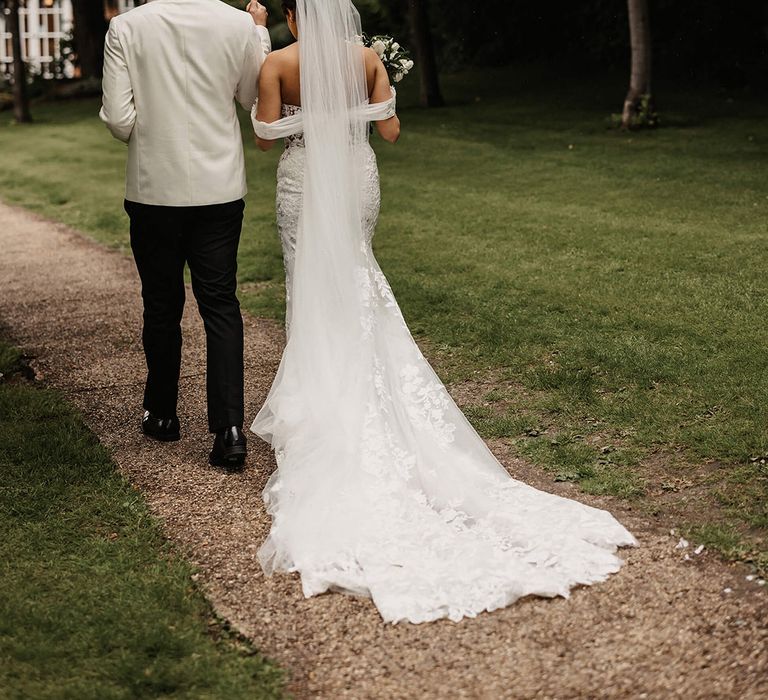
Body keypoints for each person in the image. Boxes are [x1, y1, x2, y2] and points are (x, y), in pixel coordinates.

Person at [249, 0, 637, 624]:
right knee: (356, 270)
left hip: (303, 182)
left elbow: (265, 139)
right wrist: (365, 105)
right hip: (356, 174)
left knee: (310, 284)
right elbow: (391, 131)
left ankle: (322, 398)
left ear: (296, 18)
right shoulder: (369, 58)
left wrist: (304, 117)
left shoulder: (276, 64)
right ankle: (360, 381)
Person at [99, 0, 271, 471]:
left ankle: (163, 414)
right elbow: (252, 95)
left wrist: (151, 131)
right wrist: (258, 33)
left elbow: (118, 119)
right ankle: (229, 430)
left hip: (155, 187)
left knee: (160, 301)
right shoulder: (237, 24)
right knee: (220, 302)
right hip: (219, 186)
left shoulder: (127, 28)